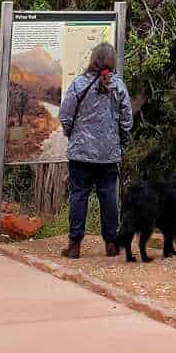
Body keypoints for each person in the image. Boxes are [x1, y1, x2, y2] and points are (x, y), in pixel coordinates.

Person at [58, 42, 133, 259]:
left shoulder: (79, 84)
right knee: (108, 196)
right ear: (112, 60)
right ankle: (111, 243)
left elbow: (65, 114)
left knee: (78, 195)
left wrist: (72, 134)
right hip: (108, 154)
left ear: (92, 59)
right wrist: (121, 143)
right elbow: (127, 120)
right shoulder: (118, 86)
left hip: (80, 154)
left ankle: (74, 246)